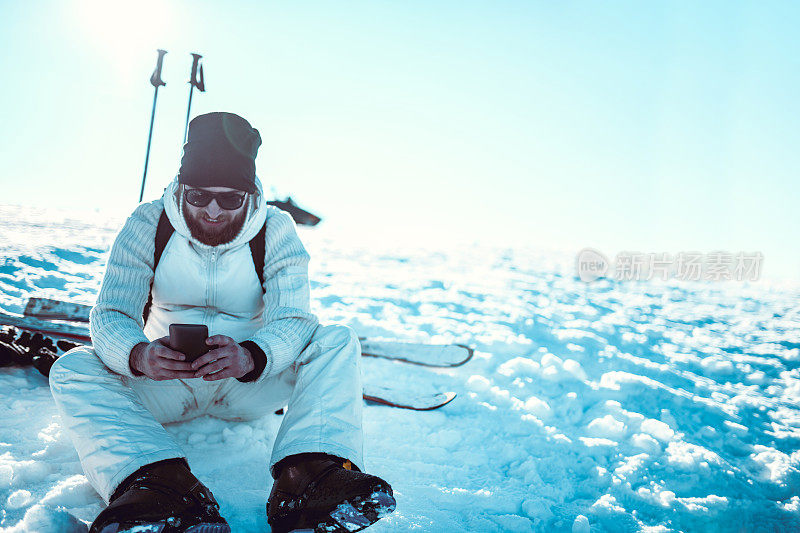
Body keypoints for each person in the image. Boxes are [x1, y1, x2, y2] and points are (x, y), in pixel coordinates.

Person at [49, 112, 396, 533]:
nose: (213, 209)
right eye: (198, 196)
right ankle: (159, 490)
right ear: (181, 189)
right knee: (72, 366)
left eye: (230, 198)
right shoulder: (148, 221)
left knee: (337, 340)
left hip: (247, 385)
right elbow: (111, 314)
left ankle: (309, 481)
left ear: (249, 195)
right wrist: (139, 355)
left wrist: (252, 357)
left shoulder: (276, 228)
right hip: (164, 384)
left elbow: (294, 317)